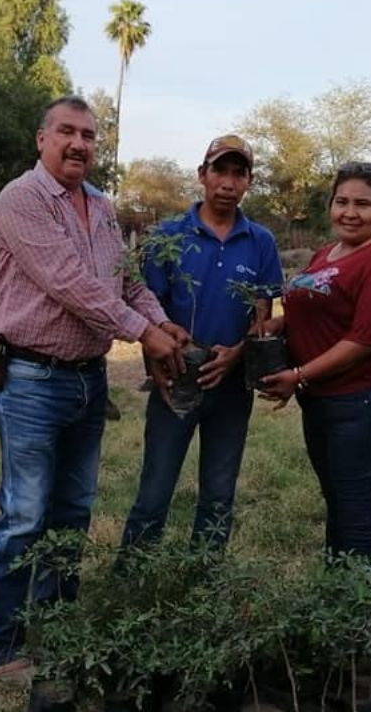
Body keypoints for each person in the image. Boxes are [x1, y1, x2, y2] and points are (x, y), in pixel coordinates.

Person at [0, 95, 188, 683]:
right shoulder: (21, 200)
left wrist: (160, 321)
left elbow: (125, 283)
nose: (78, 144)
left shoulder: (102, 206)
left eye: (89, 136)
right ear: (41, 140)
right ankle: (0, 646)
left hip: (86, 384)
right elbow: (71, 286)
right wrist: (143, 333)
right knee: (23, 516)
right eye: (66, 132)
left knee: (72, 512)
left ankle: (59, 624)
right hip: (30, 380)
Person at [119, 134, 284, 552]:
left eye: (238, 173)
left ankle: (204, 580)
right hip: (177, 378)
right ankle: (132, 580)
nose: (228, 183)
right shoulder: (167, 237)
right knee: (155, 492)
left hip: (230, 387)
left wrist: (238, 355)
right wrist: (157, 364)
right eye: (219, 171)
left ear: (248, 182)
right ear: (202, 175)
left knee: (218, 494)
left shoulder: (260, 241)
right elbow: (147, 305)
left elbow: (261, 314)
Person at [257, 162, 371, 564]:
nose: (350, 212)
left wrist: (299, 375)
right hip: (323, 403)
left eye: (363, 203)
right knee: (339, 508)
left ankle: (362, 619)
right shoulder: (328, 253)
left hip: (363, 405)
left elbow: (366, 338)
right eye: (342, 201)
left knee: (357, 519)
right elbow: (317, 308)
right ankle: (339, 606)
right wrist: (277, 324)